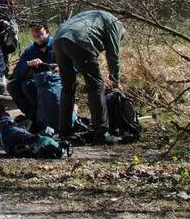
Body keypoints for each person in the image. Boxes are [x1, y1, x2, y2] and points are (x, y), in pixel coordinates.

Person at [54, 9, 125, 145]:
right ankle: (102, 133)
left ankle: (65, 133)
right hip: (80, 40)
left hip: (59, 39)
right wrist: (115, 79)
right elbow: (113, 54)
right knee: (96, 87)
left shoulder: (94, 16)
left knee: (68, 88)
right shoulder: (115, 24)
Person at [8, 21, 55, 130]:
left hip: (55, 82)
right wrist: (28, 64)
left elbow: (73, 65)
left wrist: (59, 68)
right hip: (37, 83)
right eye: (33, 30)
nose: (35, 33)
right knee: (14, 86)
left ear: (47, 31)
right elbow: (16, 73)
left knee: (27, 86)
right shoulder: (30, 50)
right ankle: (33, 116)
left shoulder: (57, 45)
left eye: (38, 30)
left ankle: (37, 118)